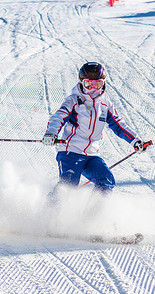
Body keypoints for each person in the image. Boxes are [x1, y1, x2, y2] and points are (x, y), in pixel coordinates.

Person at [42, 62, 144, 195]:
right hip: (71, 152)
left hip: (91, 155)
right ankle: (48, 213)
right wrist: (51, 133)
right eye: (89, 85)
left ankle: (91, 214)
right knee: (68, 186)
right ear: (81, 83)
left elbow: (119, 125)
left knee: (106, 181)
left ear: (104, 84)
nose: (93, 89)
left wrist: (136, 141)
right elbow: (59, 117)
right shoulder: (74, 100)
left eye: (98, 84)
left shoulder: (105, 105)